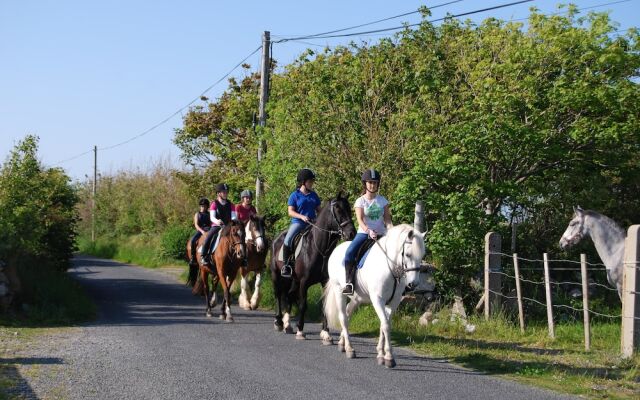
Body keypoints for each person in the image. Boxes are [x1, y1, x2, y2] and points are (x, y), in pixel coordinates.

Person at [342, 169, 392, 295]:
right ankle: (349, 282)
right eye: (370, 182)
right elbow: (360, 220)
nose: (373, 185)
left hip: (381, 233)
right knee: (349, 252)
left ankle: (400, 283)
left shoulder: (383, 201)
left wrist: (392, 231)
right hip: (364, 233)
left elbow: (387, 220)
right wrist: (368, 231)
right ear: (365, 184)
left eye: (375, 183)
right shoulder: (360, 201)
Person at [281, 168, 321, 278]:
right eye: (310, 181)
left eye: (312, 181)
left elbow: (319, 210)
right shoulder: (294, 195)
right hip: (298, 223)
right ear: (303, 182)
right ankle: (286, 265)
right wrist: (302, 217)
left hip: (312, 223)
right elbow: (290, 212)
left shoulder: (314, 195)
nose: (312, 184)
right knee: (288, 239)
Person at [200, 183, 237, 266]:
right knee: (209, 237)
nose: (226, 193)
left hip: (228, 227)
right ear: (218, 193)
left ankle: (243, 258)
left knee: (240, 236)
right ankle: (203, 256)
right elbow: (212, 217)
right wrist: (217, 221)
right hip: (216, 226)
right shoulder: (214, 204)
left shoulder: (231, 205)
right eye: (224, 192)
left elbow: (234, 217)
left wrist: (232, 222)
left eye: (226, 192)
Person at [190, 197, 211, 265]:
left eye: (204, 206)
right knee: (193, 240)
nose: (202, 207)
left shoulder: (210, 214)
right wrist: (202, 231)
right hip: (200, 230)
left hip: (209, 229)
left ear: (207, 206)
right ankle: (193, 258)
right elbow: (196, 225)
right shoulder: (197, 214)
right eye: (201, 206)